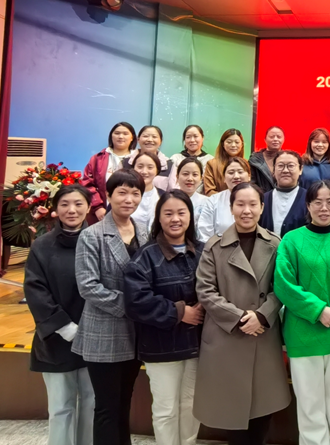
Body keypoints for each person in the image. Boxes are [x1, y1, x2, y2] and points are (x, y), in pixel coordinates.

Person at [194, 182, 291, 445]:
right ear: (231, 207)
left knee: (262, 411)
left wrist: (261, 315)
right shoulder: (214, 246)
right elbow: (205, 290)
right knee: (232, 413)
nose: (246, 210)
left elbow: (283, 287)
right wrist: (239, 317)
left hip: (262, 335)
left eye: (252, 204)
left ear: (262, 207)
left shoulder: (275, 243)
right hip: (227, 337)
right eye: (240, 204)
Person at [274, 180, 330, 445]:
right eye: (318, 202)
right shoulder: (291, 240)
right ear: (308, 205)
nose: (324, 208)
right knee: (310, 400)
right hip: (304, 331)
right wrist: (319, 310)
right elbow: (284, 284)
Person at [73, 170, 149, 445]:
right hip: (103, 333)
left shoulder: (144, 231)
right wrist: (135, 306)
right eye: (122, 192)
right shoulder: (92, 235)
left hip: (136, 333)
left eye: (135, 193)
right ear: (108, 195)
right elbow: (88, 286)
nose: (129, 199)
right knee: (106, 407)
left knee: (124, 402)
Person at [124, 190, 204, 445]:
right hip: (160, 346)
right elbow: (136, 301)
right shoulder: (145, 256)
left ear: (190, 216)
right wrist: (180, 312)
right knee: (166, 409)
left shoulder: (203, 252)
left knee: (191, 405)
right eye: (168, 213)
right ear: (159, 218)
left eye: (181, 212)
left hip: (197, 345)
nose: (175, 219)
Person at [24, 185, 95, 445]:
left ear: (89, 207)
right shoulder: (42, 246)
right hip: (55, 339)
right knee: (61, 407)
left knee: (92, 403)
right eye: (64, 204)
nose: (71, 210)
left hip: (94, 337)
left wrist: (91, 329)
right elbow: (35, 290)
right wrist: (65, 327)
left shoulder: (99, 240)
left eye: (78, 203)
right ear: (55, 209)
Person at [81, 122, 138, 224]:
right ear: (111, 136)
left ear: (132, 137)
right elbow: (87, 184)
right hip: (101, 213)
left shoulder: (139, 159)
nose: (120, 136)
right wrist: (97, 207)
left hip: (134, 212)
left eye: (125, 133)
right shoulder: (98, 159)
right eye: (117, 133)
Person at [197, 157, 251, 242]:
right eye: (231, 172)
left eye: (240, 172)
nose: (236, 176)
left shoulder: (257, 199)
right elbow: (204, 235)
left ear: (249, 176)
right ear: (224, 178)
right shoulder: (213, 201)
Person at [259, 150, 308, 238]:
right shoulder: (263, 199)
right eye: (280, 166)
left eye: (291, 166)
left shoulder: (309, 199)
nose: (285, 170)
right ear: (273, 169)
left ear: (300, 169)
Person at [122, 125, 177, 193]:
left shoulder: (169, 165)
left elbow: (172, 191)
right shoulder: (125, 162)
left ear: (160, 141)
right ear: (138, 139)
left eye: (154, 137)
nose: (150, 140)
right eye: (145, 136)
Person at [169, 125, 213, 193]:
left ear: (202, 138)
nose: (192, 140)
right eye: (188, 137)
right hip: (178, 196)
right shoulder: (175, 158)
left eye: (195, 136)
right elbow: (171, 183)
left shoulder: (210, 160)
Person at [203, 129, 245, 196]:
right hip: (218, 201)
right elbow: (209, 190)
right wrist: (226, 199)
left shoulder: (246, 164)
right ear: (223, 144)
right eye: (229, 142)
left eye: (237, 142)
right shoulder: (212, 164)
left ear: (242, 144)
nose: (233, 145)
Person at [131, 151, 165, 230]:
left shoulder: (164, 196)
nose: (144, 172)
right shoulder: (123, 196)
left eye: (150, 167)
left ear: (157, 170)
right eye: (140, 167)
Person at [249, 125, 284, 193]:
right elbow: (252, 183)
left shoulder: (289, 159)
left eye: (279, 137)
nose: (275, 139)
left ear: (283, 139)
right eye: (272, 137)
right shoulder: (254, 160)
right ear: (265, 139)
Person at [176, 158, 208, 228]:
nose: (190, 178)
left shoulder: (207, 203)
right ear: (177, 177)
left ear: (201, 178)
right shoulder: (169, 201)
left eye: (195, 174)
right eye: (185, 174)